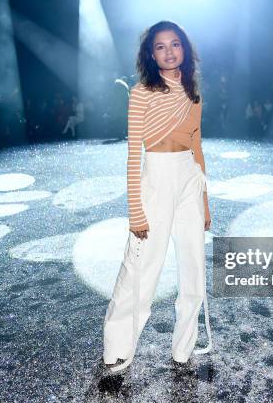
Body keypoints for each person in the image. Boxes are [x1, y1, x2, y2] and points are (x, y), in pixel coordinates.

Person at [103, 20, 212, 373]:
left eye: (175, 44)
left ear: (184, 48)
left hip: (189, 179)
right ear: (151, 54)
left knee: (193, 267)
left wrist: (205, 201)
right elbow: (134, 152)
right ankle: (118, 349)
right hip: (156, 176)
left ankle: (184, 348)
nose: (169, 51)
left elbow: (196, 145)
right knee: (142, 267)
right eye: (161, 46)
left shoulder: (193, 90)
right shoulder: (141, 93)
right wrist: (136, 209)